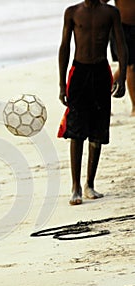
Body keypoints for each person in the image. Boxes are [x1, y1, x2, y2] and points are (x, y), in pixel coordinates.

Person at [57, 0, 127, 205]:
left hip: (100, 73)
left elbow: (120, 45)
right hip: (79, 73)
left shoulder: (111, 13)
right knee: (76, 130)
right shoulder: (72, 12)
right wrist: (62, 84)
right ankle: (75, 186)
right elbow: (64, 47)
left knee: (98, 129)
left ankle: (90, 184)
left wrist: (121, 77)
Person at [103, 0, 135, 116]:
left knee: (126, 68)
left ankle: (101, 97)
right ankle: (134, 108)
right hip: (122, 28)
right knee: (130, 66)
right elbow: (100, 3)